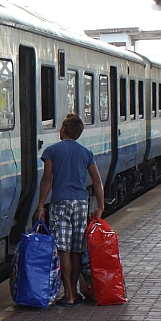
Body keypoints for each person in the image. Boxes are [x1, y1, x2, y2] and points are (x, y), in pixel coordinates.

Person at [34, 114, 106, 307]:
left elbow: (47, 180)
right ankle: (73, 291)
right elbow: (97, 181)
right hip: (81, 204)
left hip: (60, 203)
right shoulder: (86, 153)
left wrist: (41, 206)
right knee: (76, 249)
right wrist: (100, 207)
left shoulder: (52, 151)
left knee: (63, 249)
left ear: (63, 129)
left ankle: (69, 295)